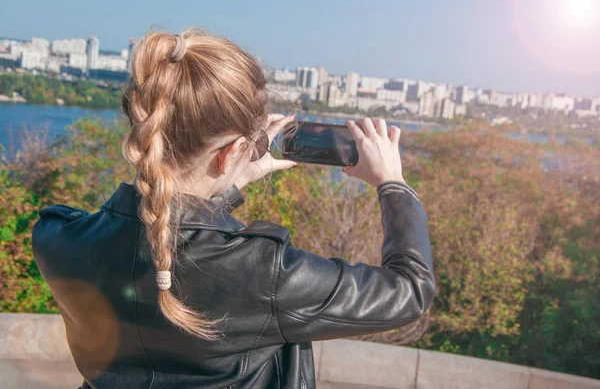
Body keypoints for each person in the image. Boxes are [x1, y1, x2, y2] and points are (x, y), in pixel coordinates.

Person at [32, 28, 435, 389]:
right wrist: (392, 183)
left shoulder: (59, 238)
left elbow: (165, 239)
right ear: (229, 153)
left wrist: (224, 184)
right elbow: (409, 291)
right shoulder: (262, 272)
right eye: (253, 145)